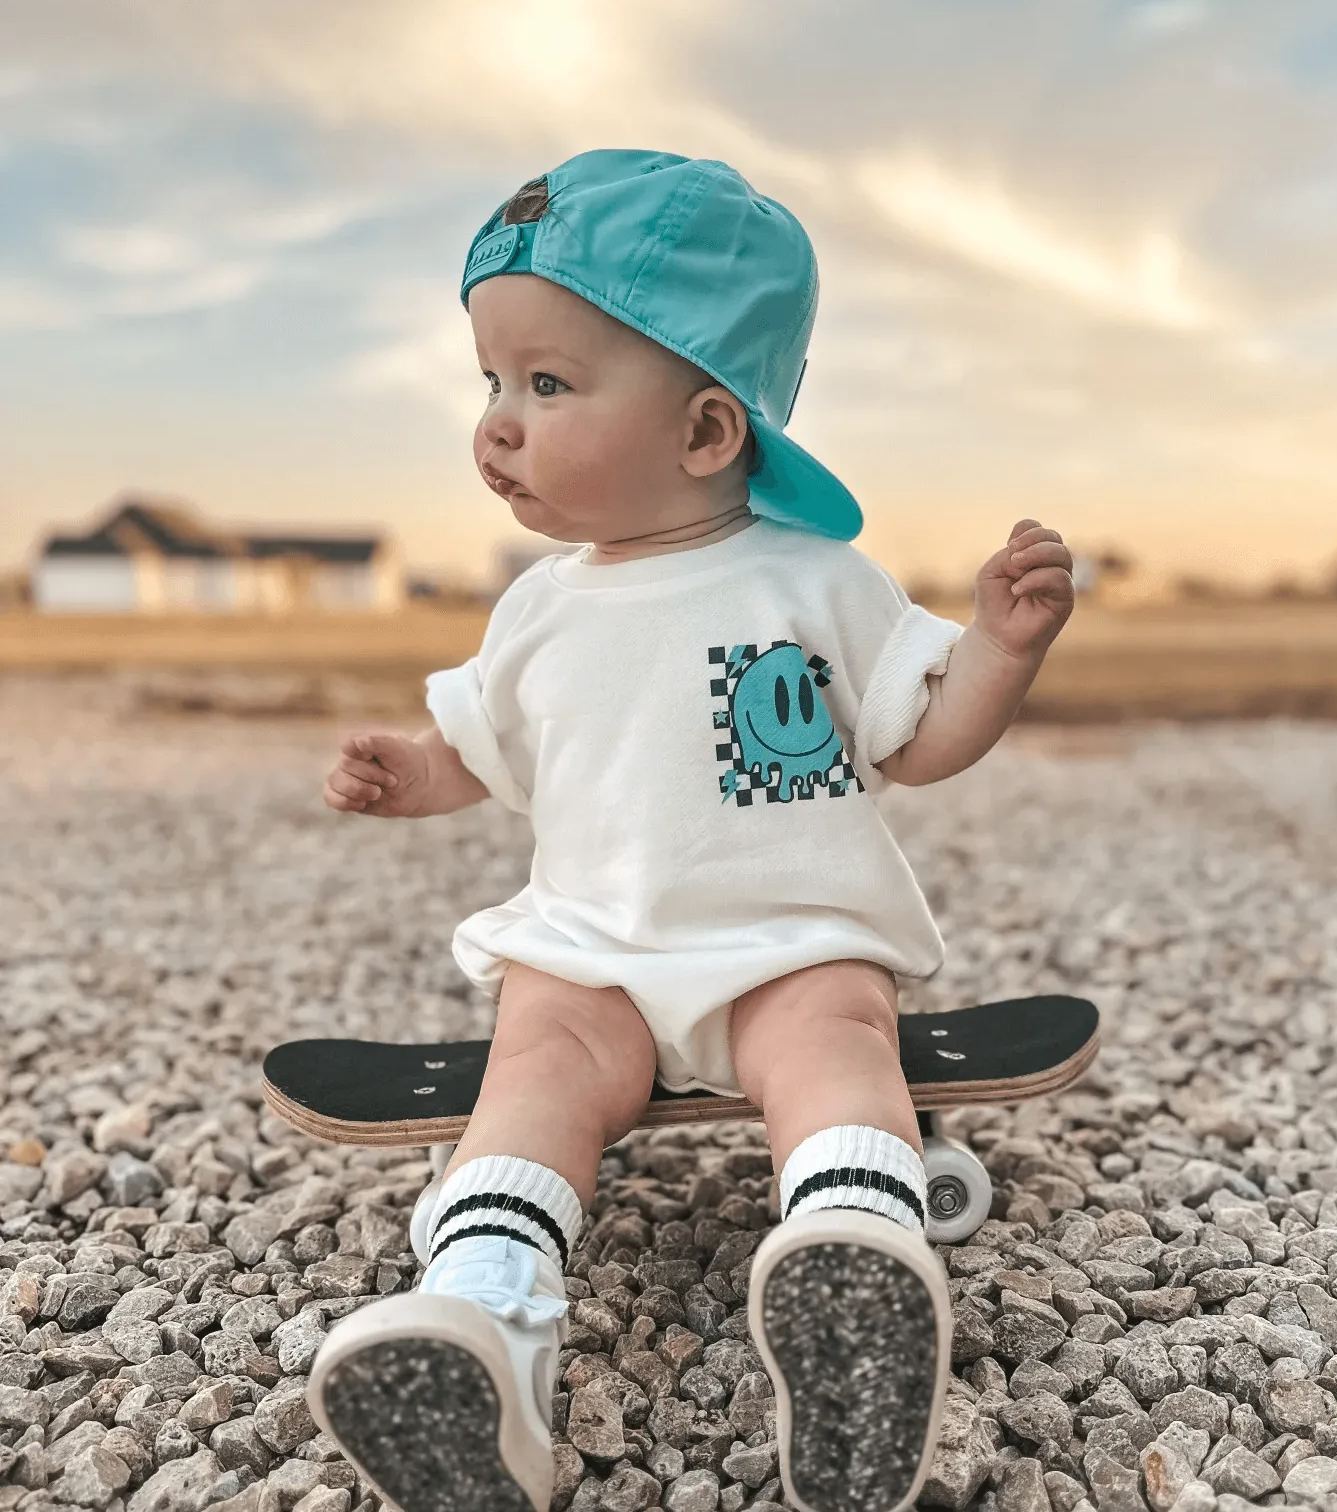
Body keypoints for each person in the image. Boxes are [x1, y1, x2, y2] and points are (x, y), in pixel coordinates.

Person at [306, 148, 1075, 1512]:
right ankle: (485, 1323)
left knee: (838, 1032)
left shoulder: (813, 581)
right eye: (491, 382)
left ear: (708, 431)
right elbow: (483, 755)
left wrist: (1000, 655)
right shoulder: (538, 610)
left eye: (546, 385)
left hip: (789, 942)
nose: (497, 422)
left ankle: (853, 1257)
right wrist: (406, 772)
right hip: (594, 954)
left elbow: (923, 734)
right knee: (534, 1059)